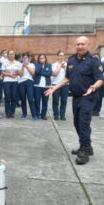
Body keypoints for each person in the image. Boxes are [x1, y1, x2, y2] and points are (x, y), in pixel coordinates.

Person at [45, 36, 104, 165]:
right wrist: (55, 87)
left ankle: (84, 151)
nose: (80, 46)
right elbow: (67, 78)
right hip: (76, 97)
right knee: (77, 123)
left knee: (83, 123)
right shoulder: (71, 60)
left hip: (88, 97)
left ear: (87, 45)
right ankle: (86, 146)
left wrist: (94, 86)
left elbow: (100, 78)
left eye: (83, 44)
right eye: (78, 44)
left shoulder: (93, 61)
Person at [1, 50, 20, 118]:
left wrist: (16, 74)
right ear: (8, 55)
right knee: (7, 97)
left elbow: (19, 72)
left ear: (14, 55)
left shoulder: (17, 63)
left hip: (15, 81)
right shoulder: (4, 62)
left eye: (12, 54)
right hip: (6, 81)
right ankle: (7, 112)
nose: (11, 55)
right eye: (10, 54)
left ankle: (12, 112)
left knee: (14, 97)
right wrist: (9, 74)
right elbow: (2, 72)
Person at [33, 54, 52, 120]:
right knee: (37, 100)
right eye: (40, 58)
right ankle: (37, 114)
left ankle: (43, 115)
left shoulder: (49, 65)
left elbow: (49, 73)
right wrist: (43, 71)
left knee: (45, 101)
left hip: (46, 86)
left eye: (43, 58)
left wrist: (40, 72)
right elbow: (36, 71)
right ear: (38, 59)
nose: (42, 59)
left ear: (45, 58)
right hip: (37, 86)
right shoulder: (36, 64)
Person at [51, 50, 69, 120]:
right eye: (60, 55)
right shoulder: (54, 65)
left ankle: (62, 115)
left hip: (65, 85)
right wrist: (60, 66)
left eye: (63, 55)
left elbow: (69, 75)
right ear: (57, 56)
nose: (61, 57)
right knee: (55, 100)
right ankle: (56, 115)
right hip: (55, 84)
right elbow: (55, 73)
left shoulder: (67, 65)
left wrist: (64, 67)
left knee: (64, 100)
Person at [18, 52, 35, 119]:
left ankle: (33, 115)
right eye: (24, 57)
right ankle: (24, 114)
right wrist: (22, 66)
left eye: (26, 57)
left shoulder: (32, 65)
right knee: (23, 99)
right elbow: (20, 74)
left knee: (30, 99)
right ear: (22, 58)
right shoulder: (19, 65)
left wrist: (27, 66)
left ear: (29, 58)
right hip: (21, 82)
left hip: (29, 82)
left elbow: (32, 73)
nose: (25, 59)